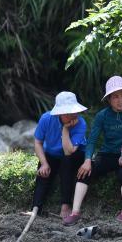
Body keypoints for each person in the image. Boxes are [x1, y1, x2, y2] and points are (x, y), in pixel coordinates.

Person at [63, 76, 122, 224]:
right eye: (115, 97)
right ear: (109, 99)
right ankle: (75, 212)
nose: (120, 100)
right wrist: (88, 160)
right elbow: (92, 140)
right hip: (107, 155)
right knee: (85, 172)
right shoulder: (102, 115)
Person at [30, 91, 88, 220]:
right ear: (60, 113)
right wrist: (44, 163)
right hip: (52, 154)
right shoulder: (46, 118)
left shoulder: (81, 123)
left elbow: (69, 151)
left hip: (74, 154)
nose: (73, 115)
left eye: (74, 111)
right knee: (43, 173)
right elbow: (38, 142)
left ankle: (65, 205)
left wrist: (65, 129)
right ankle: (36, 208)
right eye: (68, 113)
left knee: (66, 163)